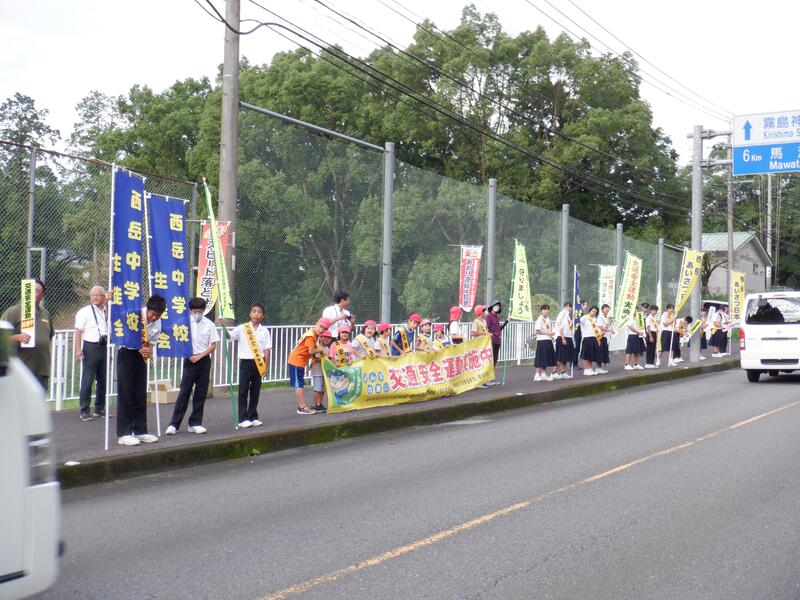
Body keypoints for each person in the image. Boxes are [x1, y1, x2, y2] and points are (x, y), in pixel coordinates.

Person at [116, 294, 166, 447]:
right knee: (126, 392)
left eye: (157, 316)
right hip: (127, 353)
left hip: (141, 357)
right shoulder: (133, 315)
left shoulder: (158, 323)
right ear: (147, 309)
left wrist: (148, 352)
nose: (154, 318)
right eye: (153, 314)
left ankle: (140, 430)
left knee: (139, 393)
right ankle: (124, 433)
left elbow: (151, 344)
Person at [165, 297, 220, 435]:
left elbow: (213, 345)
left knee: (200, 393)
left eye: (200, 311)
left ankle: (195, 423)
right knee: (184, 392)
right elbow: (176, 340)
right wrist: (189, 355)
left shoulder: (209, 324)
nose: (197, 314)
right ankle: (174, 424)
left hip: (203, 360)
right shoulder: (183, 323)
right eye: (195, 311)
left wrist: (200, 356)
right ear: (191, 310)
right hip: (189, 359)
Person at [1, 279, 54, 391]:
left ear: (42, 295)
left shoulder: (45, 313)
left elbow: (49, 336)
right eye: (30, 290)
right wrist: (17, 337)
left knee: (38, 405)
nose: (32, 293)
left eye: (36, 290)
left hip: (42, 369)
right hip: (21, 371)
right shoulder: (13, 312)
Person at [229, 304, 272, 428]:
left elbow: (267, 349)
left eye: (259, 312)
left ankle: (253, 416)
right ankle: (243, 418)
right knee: (243, 390)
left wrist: (266, 365)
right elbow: (230, 337)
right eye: (254, 311)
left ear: (263, 316)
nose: (256, 314)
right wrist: (223, 328)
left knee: (255, 391)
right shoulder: (243, 328)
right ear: (250, 313)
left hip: (259, 363)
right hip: (246, 362)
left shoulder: (265, 331)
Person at [74, 285, 109, 421]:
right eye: (92, 295)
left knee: (103, 380)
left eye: (98, 294)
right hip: (90, 346)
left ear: (103, 297)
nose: (94, 297)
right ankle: (84, 409)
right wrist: (78, 350)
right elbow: (78, 331)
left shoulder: (106, 310)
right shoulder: (85, 311)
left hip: (104, 346)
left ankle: (99, 408)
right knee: (88, 380)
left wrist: (108, 302)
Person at [287, 317, 330, 416]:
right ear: (316, 323)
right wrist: (321, 350)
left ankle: (302, 406)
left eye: (324, 329)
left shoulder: (313, 333)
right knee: (299, 384)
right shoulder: (311, 336)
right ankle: (302, 407)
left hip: (299, 361)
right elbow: (311, 351)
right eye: (320, 327)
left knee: (300, 383)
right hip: (296, 361)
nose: (321, 330)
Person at [309, 329, 334, 413]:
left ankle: (319, 404)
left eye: (329, 338)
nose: (327, 339)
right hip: (317, 371)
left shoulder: (327, 348)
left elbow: (329, 359)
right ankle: (314, 405)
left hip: (324, 372)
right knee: (317, 389)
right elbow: (315, 359)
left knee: (322, 389)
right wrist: (323, 360)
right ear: (320, 337)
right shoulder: (317, 347)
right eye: (325, 337)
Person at [533, 304, 556, 382]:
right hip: (542, 340)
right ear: (541, 311)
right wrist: (548, 333)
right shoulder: (540, 319)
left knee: (544, 358)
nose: (546, 311)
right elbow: (537, 331)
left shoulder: (548, 319)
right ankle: (538, 374)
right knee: (541, 358)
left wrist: (552, 333)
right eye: (544, 309)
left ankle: (542, 374)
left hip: (548, 340)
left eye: (547, 309)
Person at [485, 299, 508, 375]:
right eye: (495, 305)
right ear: (492, 307)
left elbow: (499, 329)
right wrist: (490, 334)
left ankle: (491, 376)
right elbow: (486, 328)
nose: (496, 307)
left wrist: (506, 322)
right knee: (490, 360)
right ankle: (487, 377)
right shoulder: (488, 317)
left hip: (497, 341)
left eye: (498, 306)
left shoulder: (497, 318)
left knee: (495, 359)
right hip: (491, 341)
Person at [580, 306, 604, 376]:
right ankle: (586, 369)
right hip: (587, 338)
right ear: (590, 310)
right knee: (586, 355)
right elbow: (579, 322)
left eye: (595, 312)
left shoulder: (594, 320)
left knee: (591, 354)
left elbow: (596, 330)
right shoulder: (585, 317)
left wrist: (598, 339)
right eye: (593, 311)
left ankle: (590, 368)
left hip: (594, 338)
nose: (594, 313)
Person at [554, 301, 574, 379]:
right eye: (568, 307)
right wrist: (562, 338)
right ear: (565, 307)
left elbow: (569, 327)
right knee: (560, 356)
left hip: (568, 337)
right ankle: (554, 372)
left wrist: (572, 321)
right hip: (562, 337)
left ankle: (563, 372)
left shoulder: (568, 316)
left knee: (565, 357)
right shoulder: (562, 314)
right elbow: (560, 326)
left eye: (570, 307)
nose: (569, 308)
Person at [624, 305, 645, 370]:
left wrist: (641, 332)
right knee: (629, 350)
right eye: (634, 309)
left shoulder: (638, 317)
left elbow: (641, 327)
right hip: (631, 335)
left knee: (637, 351)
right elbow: (630, 327)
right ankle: (626, 364)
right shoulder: (629, 318)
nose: (635, 311)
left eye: (636, 309)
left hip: (637, 336)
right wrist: (638, 332)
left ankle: (636, 364)